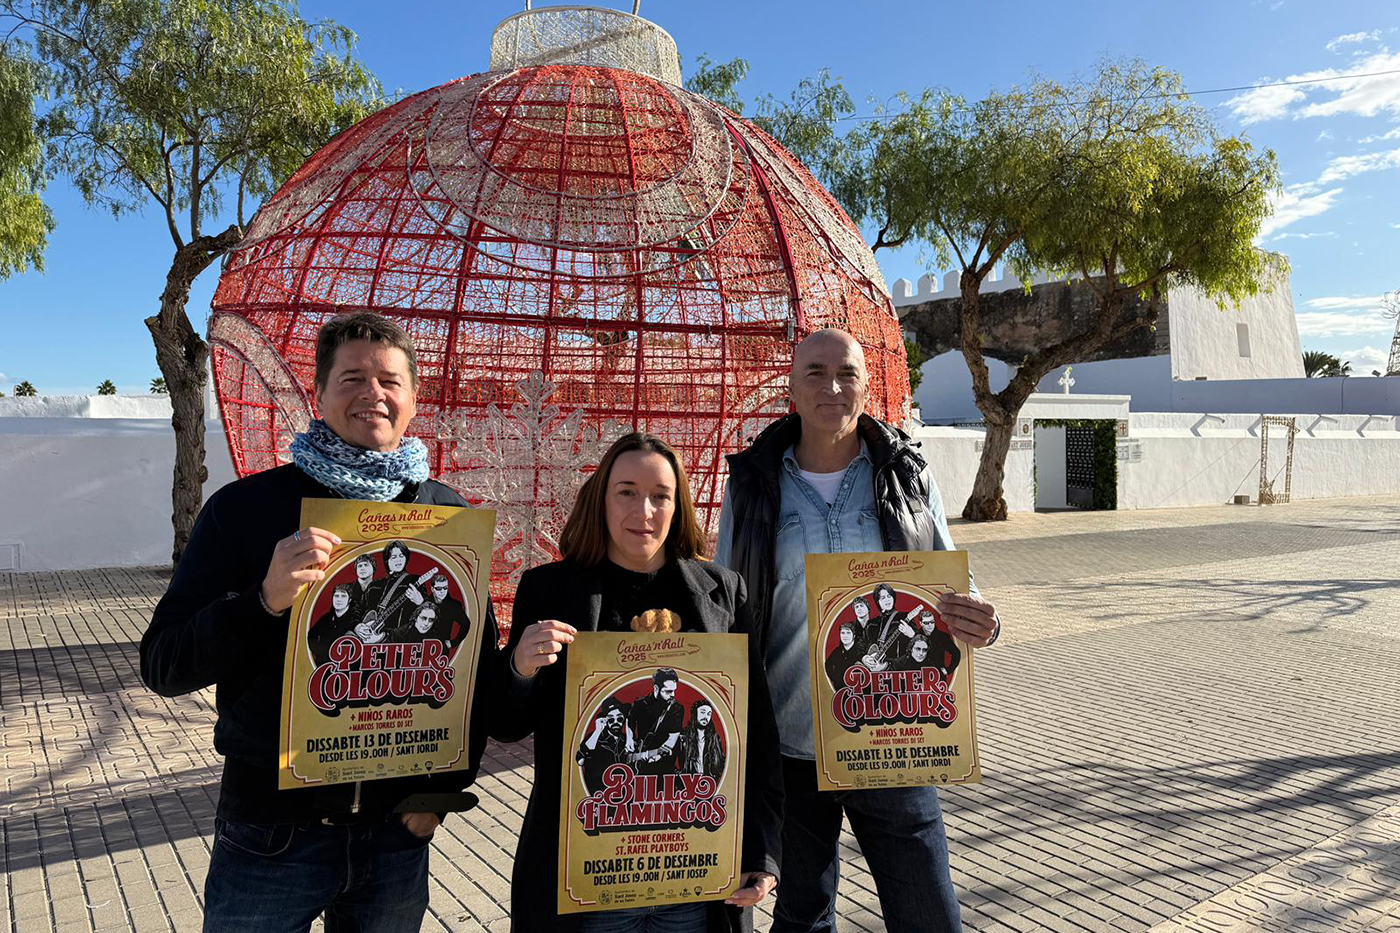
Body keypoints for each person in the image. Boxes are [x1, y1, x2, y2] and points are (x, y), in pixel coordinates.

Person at [140, 312, 499, 933]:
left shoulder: (448, 517)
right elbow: (163, 665)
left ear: (414, 398)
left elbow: (472, 669)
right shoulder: (246, 509)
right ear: (322, 394)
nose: (373, 394)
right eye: (352, 378)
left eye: (390, 380)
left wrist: (442, 792)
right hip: (272, 835)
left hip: (395, 839)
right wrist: (263, 601)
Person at [715, 328, 1002, 933]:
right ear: (791, 388)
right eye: (815, 373)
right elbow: (729, 603)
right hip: (791, 744)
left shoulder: (908, 475)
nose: (832, 386)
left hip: (894, 740)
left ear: (868, 385)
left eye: (846, 372)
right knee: (801, 916)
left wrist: (979, 615)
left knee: (929, 916)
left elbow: (949, 576)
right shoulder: (752, 485)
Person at [492, 432, 783, 933]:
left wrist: (763, 852)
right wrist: (519, 667)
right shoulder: (548, 590)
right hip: (587, 877)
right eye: (626, 491)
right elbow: (507, 725)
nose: (643, 510)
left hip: (697, 879)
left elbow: (755, 733)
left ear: (679, 505)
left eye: (660, 495)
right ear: (601, 499)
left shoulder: (723, 592)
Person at [627, 667, 684, 775]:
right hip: (639, 760)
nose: (673, 695)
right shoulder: (639, 704)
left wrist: (658, 755)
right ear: (656, 688)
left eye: (674, 690)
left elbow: (672, 738)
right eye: (668, 691)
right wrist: (629, 739)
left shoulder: (676, 708)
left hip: (663, 761)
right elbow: (629, 720)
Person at [577, 698, 632, 796]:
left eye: (619, 718)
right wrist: (597, 730)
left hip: (622, 794)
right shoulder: (594, 738)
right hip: (599, 794)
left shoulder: (626, 739)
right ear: (605, 720)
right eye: (611, 719)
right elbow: (580, 761)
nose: (616, 722)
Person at [308, 583, 360, 665]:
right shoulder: (326, 618)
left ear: (349, 600)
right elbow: (312, 635)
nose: (339, 599)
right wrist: (321, 652)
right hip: (325, 665)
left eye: (343, 596)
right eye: (336, 596)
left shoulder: (355, 619)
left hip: (348, 667)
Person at [679, 698, 726, 782]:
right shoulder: (683, 736)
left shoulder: (714, 738)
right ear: (695, 714)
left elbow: (721, 761)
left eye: (709, 714)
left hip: (708, 784)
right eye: (702, 712)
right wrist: (679, 777)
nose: (705, 717)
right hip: (687, 783)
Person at [427, 574, 470, 647]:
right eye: (439, 588)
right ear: (432, 589)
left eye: (445, 588)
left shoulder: (453, 606)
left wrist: (454, 642)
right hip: (422, 646)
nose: (442, 591)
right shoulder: (425, 602)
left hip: (442, 648)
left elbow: (466, 623)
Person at [823, 622, 863, 690]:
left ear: (854, 636)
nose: (845, 636)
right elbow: (828, 664)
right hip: (840, 689)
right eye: (842, 633)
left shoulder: (860, 651)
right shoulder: (837, 651)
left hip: (857, 690)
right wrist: (835, 679)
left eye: (848, 633)